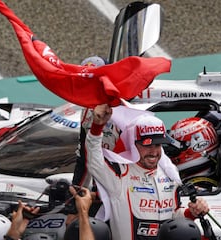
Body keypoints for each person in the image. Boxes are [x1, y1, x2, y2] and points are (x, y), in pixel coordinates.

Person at [85, 104, 210, 240]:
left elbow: (173, 218)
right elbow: (94, 160)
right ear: (133, 143)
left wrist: (192, 212)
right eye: (147, 145)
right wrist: (97, 127)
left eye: (157, 145)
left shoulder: (170, 173)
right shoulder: (120, 174)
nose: (153, 151)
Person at [66, 56, 122, 225]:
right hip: (99, 181)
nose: (89, 86)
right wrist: (76, 197)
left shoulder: (121, 106)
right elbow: (84, 158)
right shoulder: (86, 110)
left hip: (119, 180)